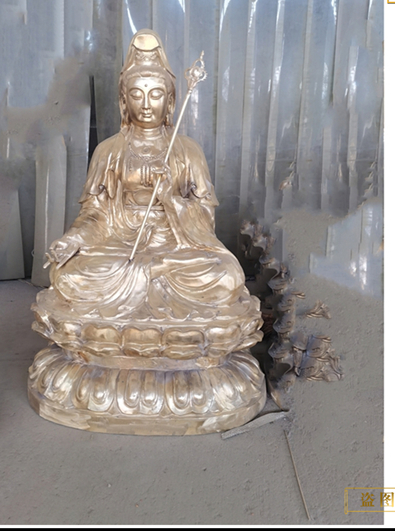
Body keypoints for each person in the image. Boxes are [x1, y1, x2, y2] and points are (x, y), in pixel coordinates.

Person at [43, 29, 257, 324]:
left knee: (227, 275)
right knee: (68, 275)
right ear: (123, 101)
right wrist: (73, 239)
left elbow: (205, 218)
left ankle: (149, 277)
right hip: (120, 244)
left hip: (174, 248)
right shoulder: (108, 151)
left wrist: (169, 198)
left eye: (155, 94)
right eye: (136, 94)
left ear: (170, 101)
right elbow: (94, 214)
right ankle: (149, 282)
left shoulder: (187, 150)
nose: (146, 104)